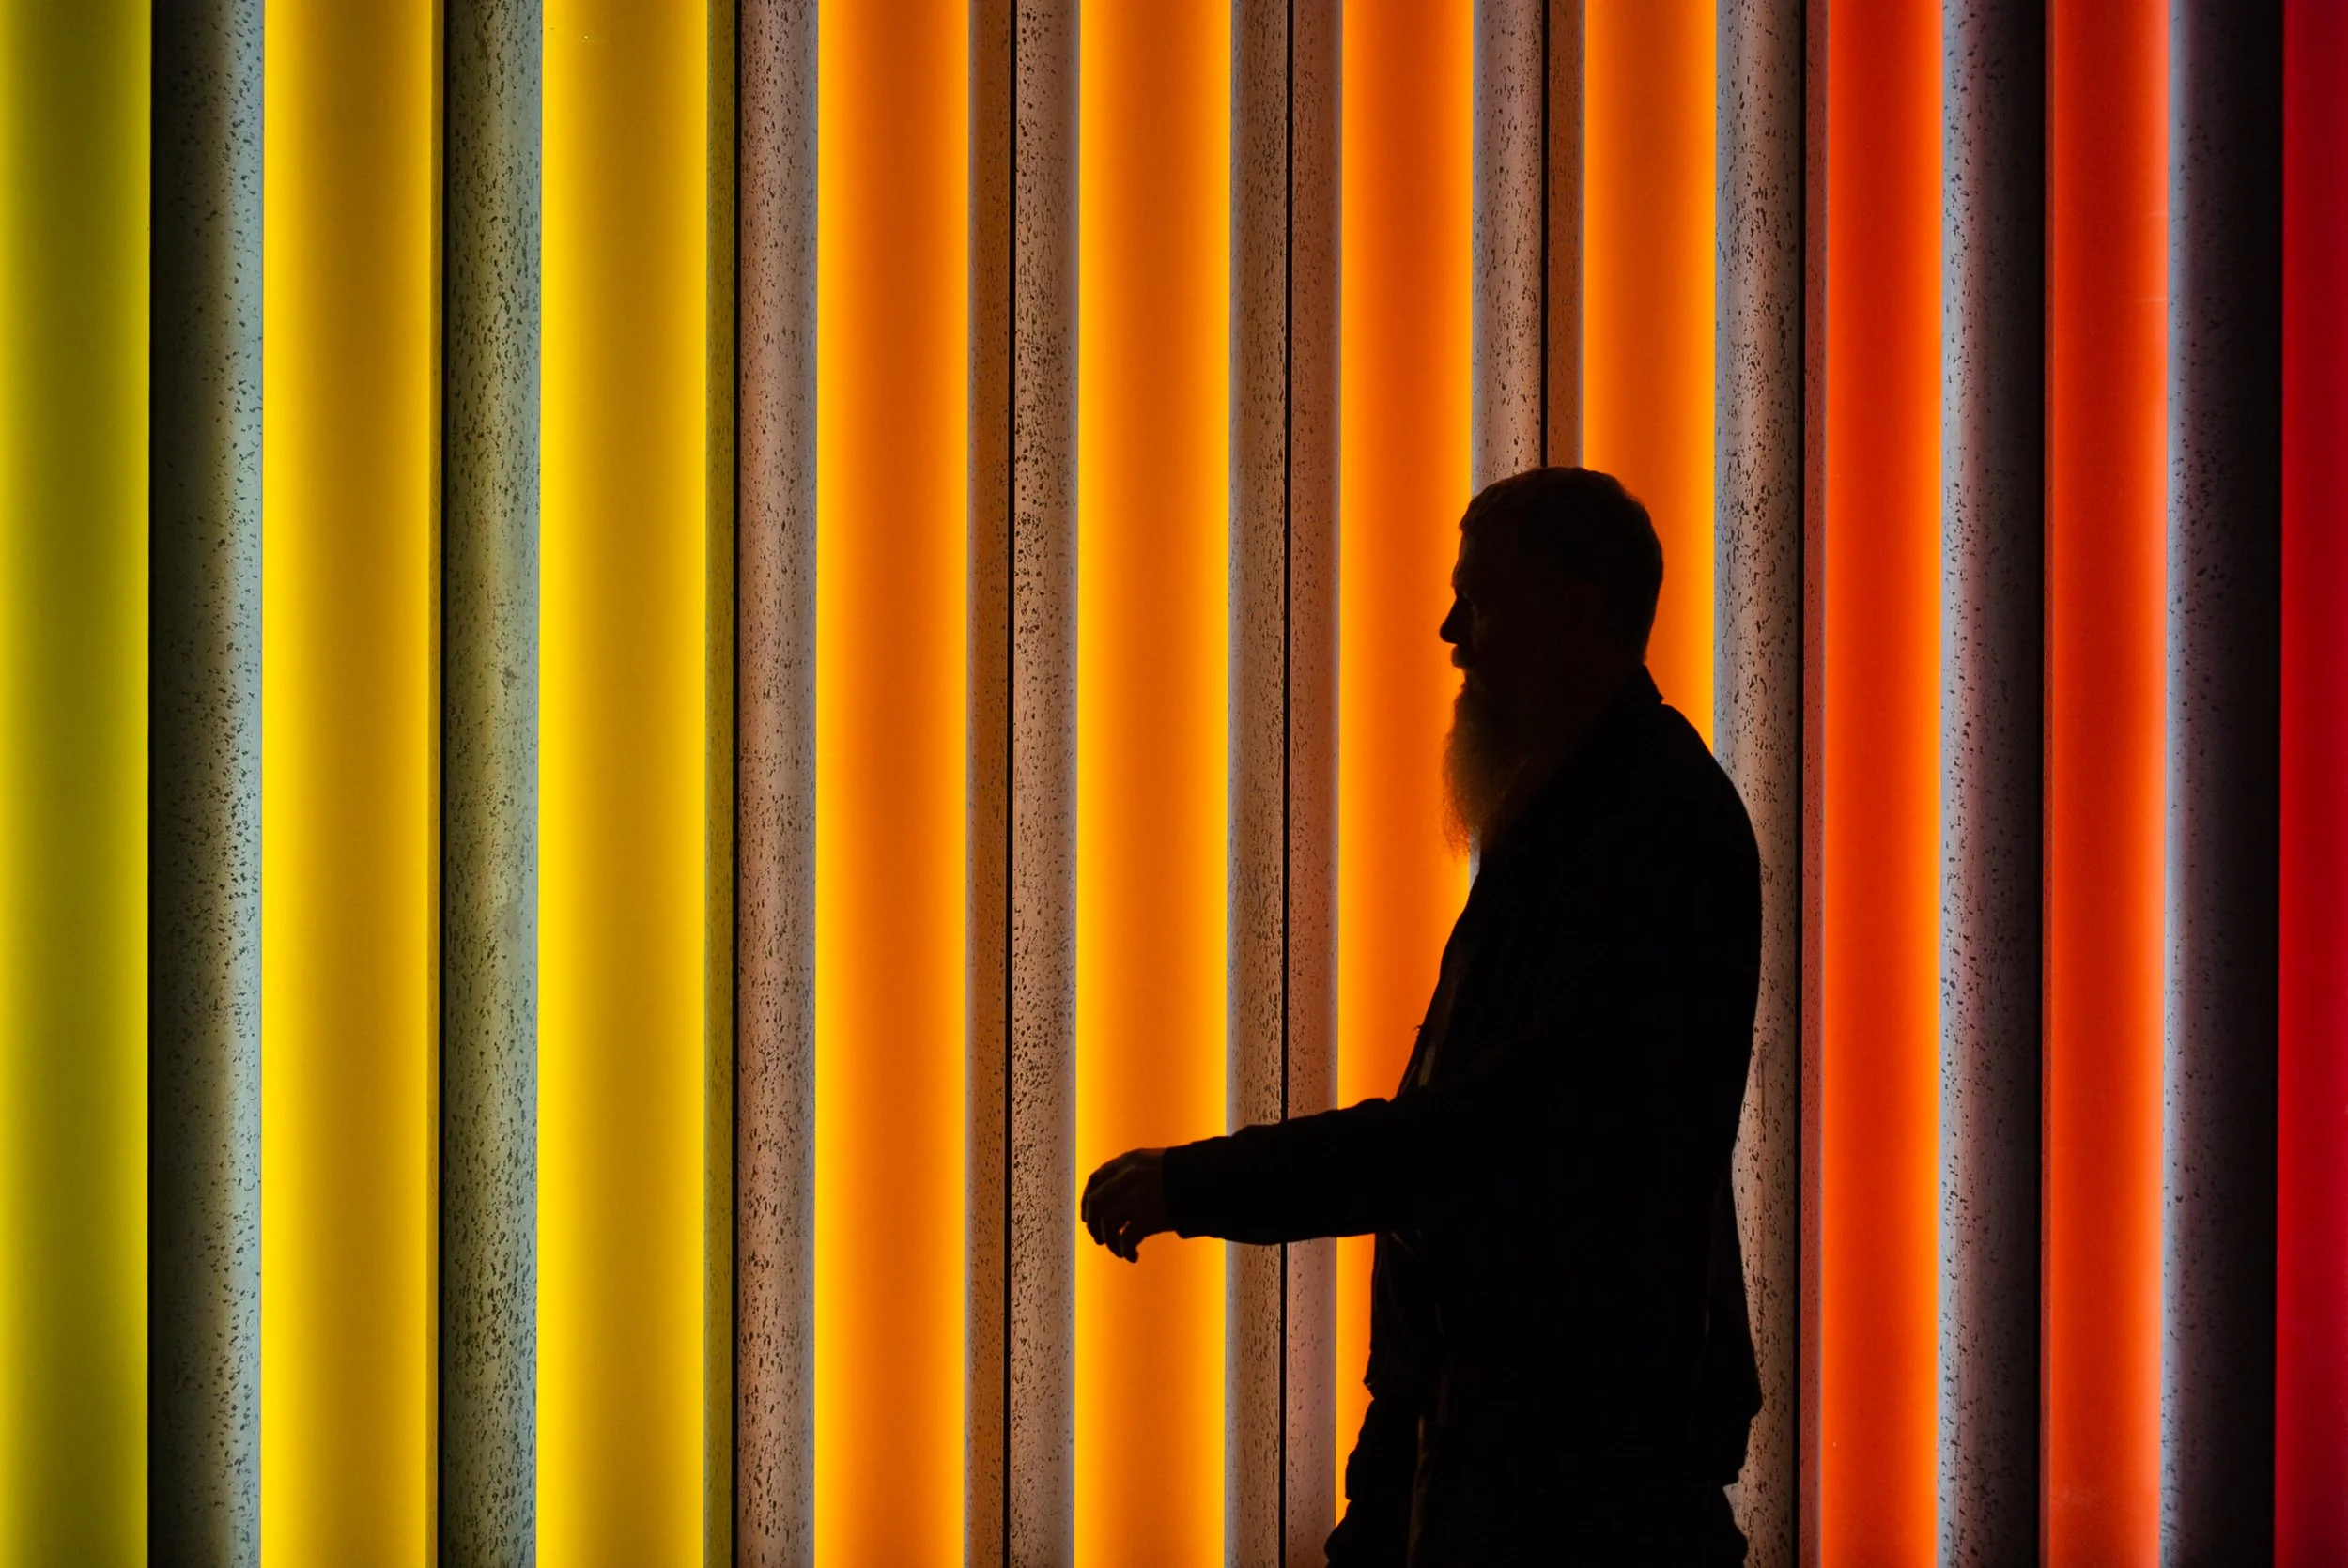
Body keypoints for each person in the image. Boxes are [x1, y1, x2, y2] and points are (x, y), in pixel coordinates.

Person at [1080, 467, 1764, 1565]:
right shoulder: (1583, 814)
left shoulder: (1649, 835)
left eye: (1478, 600)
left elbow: (1489, 1137)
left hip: (1567, 1488)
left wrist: (1200, 1182)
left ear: (1575, 610)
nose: (1450, 631)